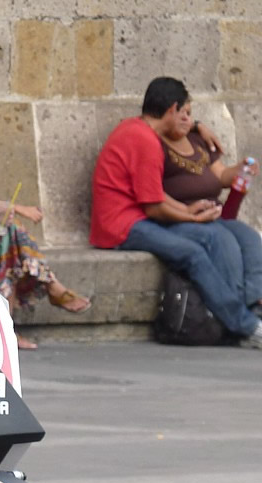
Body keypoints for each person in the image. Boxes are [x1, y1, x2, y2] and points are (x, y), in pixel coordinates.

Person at [90, 76, 262, 348]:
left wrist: (187, 209)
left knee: (228, 238)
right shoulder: (146, 141)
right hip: (122, 227)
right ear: (171, 109)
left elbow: (154, 196)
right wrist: (192, 216)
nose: (187, 118)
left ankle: (244, 316)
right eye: (182, 111)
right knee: (194, 252)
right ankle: (244, 325)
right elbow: (154, 207)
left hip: (129, 218)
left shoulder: (134, 128)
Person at [0, 101, 91, 350]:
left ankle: (9, 327)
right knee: (8, 235)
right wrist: (19, 209)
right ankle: (50, 286)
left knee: (9, 236)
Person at [156, 96, 262, 316]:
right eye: (181, 113)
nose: (187, 118)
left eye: (190, 113)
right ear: (167, 114)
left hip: (215, 216)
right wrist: (186, 212)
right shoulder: (155, 143)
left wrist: (240, 169)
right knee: (225, 243)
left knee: (250, 238)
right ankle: (237, 314)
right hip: (181, 217)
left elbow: (221, 175)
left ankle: (254, 304)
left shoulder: (197, 140)